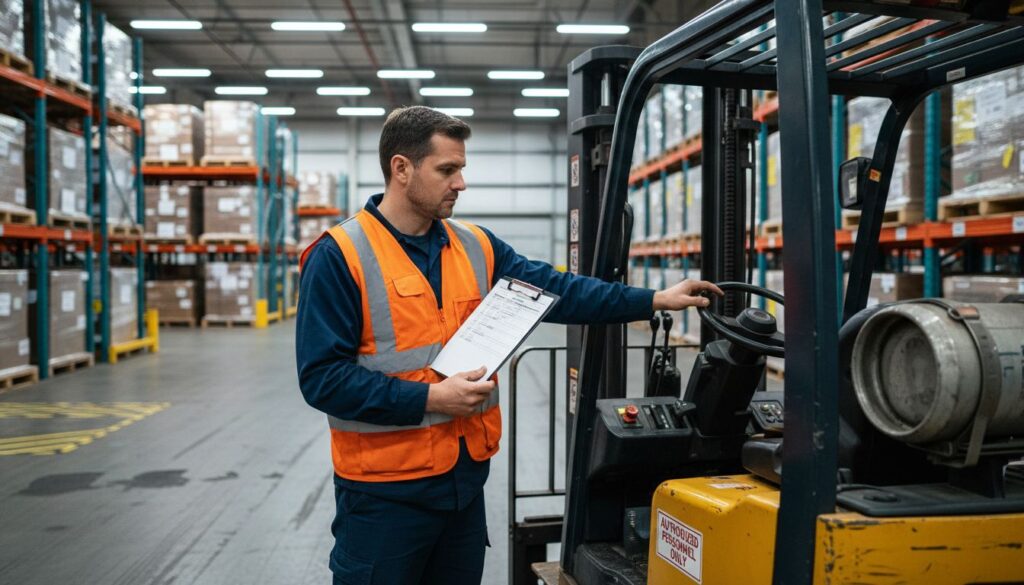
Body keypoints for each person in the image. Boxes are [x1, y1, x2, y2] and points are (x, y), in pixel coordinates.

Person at [295, 105, 723, 585]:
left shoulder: (476, 245)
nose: (461, 183)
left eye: (461, 169)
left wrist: (655, 299)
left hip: (462, 487)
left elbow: (559, 291)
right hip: (383, 498)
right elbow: (322, 379)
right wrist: (431, 398)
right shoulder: (339, 256)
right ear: (401, 169)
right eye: (447, 170)